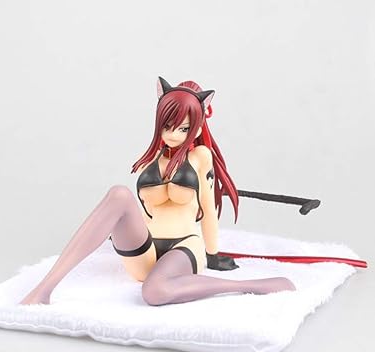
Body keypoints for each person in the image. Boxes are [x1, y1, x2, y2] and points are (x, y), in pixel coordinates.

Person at [19, 77, 295, 306]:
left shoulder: (200, 157)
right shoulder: (151, 160)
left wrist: (212, 253)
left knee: (155, 291)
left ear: (198, 125)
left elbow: (208, 209)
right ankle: (44, 289)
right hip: (146, 248)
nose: (173, 135)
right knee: (118, 194)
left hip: (183, 247)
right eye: (167, 126)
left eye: (183, 128)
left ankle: (249, 286)